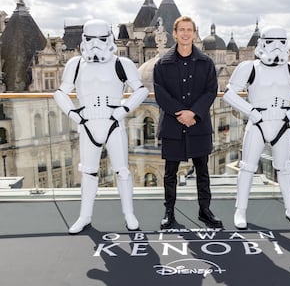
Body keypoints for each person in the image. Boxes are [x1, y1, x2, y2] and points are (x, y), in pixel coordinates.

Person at [54, 19, 149, 234]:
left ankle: (129, 214)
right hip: (87, 123)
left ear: (110, 38)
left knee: (122, 171)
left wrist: (123, 110)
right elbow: (60, 92)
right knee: (88, 172)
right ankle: (85, 216)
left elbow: (140, 90)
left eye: (101, 38)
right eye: (91, 38)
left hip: (113, 122)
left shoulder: (121, 63)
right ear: (84, 39)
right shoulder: (75, 64)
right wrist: (73, 114)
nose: (96, 43)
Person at [223, 26, 290, 229]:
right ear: (262, 43)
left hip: (282, 123)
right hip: (258, 122)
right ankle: (240, 210)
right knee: (247, 168)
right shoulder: (249, 67)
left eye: (281, 41)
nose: (277, 46)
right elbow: (229, 93)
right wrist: (251, 111)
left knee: (284, 169)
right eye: (272, 41)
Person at [153, 16, 223, 230]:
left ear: (194, 33)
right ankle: (169, 212)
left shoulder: (207, 62)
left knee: (203, 171)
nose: (185, 33)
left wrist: (193, 113)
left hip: (198, 124)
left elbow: (211, 91)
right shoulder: (162, 63)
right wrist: (180, 113)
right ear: (174, 34)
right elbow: (160, 93)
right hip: (173, 126)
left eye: (189, 30)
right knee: (170, 173)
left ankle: (205, 210)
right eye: (181, 30)